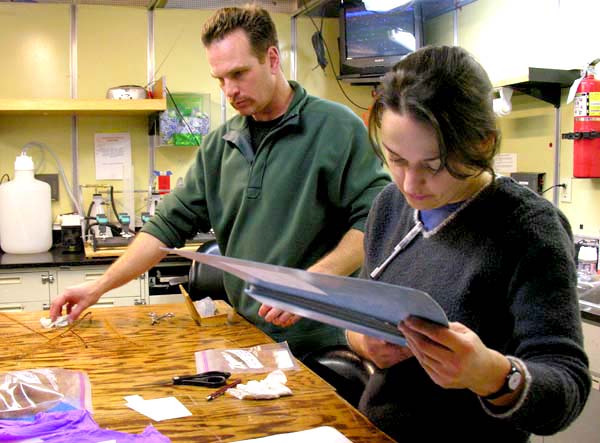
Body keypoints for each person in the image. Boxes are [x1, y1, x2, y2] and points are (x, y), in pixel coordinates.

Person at [50, 5, 390, 359]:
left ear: (272, 59)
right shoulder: (219, 145)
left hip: (326, 344)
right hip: (250, 339)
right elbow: (166, 225)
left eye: (239, 73)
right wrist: (98, 287)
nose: (230, 90)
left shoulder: (337, 127)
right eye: (220, 79)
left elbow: (379, 221)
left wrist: (309, 285)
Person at [345, 45, 591, 442]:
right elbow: (359, 318)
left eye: (432, 165)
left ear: (481, 144)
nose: (410, 185)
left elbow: (567, 385)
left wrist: (491, 375)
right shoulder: (389, 205)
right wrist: (363, 341)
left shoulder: (529, 231)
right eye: (396, 160)